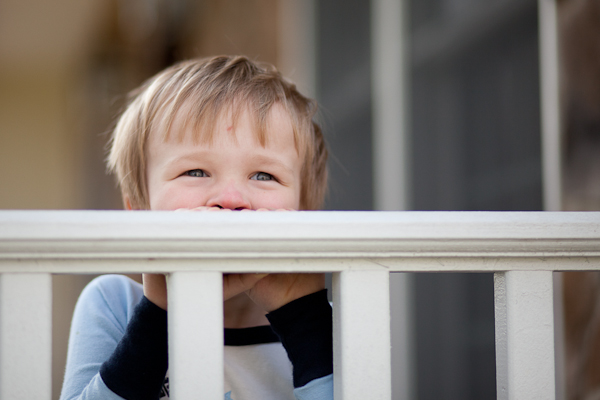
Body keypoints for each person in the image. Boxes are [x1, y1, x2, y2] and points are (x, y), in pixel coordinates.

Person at [60, 55, 332, 400]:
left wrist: (304, 318)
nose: (231, 199)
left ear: (304, 213)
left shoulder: (331, 321)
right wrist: (162, 312)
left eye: (264, 175)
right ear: (139, 211)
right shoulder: (114, 304)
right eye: (196, 172)